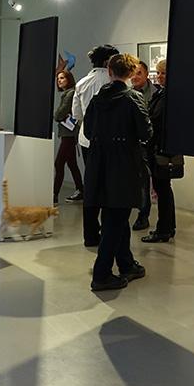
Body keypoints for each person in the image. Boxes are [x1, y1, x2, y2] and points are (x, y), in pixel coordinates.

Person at [83, 54, 151, 291]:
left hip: (99, 164)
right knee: (116, 219)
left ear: (110, 72)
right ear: (131, 73)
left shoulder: (97, 99)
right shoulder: (133, 98)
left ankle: (126, 264)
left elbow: (88, 131)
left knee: (116, 217)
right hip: (123, 165)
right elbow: (145, 132)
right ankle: (101, 274)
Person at [71, 44, 119, 247]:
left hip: (87, 140)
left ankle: (90, 234)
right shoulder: (114, 82)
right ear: (108, 61)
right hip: (112, 141)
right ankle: (109, 232)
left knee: (91, 186)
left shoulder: (82, 83)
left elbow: (76, 115)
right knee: (110, 187)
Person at [142, 58, 182, 243]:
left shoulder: (169, 96)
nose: (159, 76)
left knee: (162, 189)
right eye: (158, 73)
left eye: (163, 73)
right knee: (163, 189)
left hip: (162, 149)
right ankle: (167, 227)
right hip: (159, 147)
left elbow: (155, 119)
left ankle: (164, 229)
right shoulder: (162, 93)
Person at [130, 60, 155, 231]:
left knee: (146, 182)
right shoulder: (128, 95)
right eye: (133, 73)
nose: (135, 77)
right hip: (132, 145)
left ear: (146, 74)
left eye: (139, 73)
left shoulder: (155, 94)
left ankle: (143, 215)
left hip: (150, 145)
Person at [53, 70, 84, 205]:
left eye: (62, 78)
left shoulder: (70, 94)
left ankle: (54, 195)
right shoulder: (68, 93)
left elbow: (59, 114)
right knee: (72, 164)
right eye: (58, 78)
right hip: (69, 133)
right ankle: (81, 190)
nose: (59, 80)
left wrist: (58, 116)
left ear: (69, 79)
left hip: (69, 135)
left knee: (59, 163)